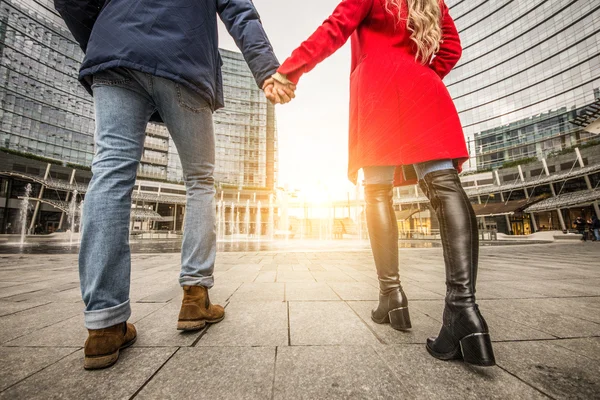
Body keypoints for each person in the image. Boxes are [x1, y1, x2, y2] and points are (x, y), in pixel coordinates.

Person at [54, 0, 294, 370]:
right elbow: (240, 12)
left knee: (110, 173)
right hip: (183, 59)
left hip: (116, 53)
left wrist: (105, 37)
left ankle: (103, 324)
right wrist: (266, 70)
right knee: (199, 181)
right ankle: (195, 295)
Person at [267, 0, 495, 366]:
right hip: (424, 85)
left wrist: (290, 70)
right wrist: (419, 75)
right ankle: (463, 311)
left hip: (377, 90)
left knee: (377, 192)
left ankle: (392, 293)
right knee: (446, 185)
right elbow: (452, 47)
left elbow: (335, 28)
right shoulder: (432, 0)